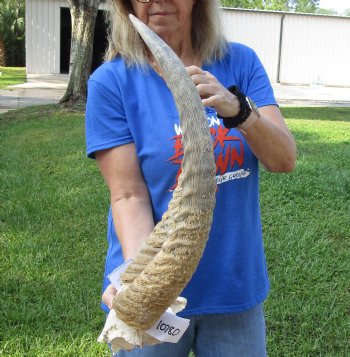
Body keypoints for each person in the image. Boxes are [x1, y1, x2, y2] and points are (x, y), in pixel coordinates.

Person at [85, 0, 297, 356]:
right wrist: (146, 283)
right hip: (154, 293)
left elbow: (284, 159)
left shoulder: (240, 62)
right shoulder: (111, 82)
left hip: (233, 288)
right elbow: (128, 196)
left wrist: (239, 110)